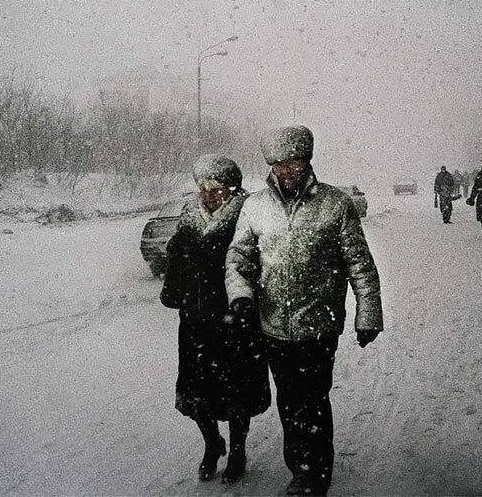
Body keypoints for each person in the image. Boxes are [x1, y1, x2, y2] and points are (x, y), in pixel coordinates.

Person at [225, 125, 384, 496]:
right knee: (289, 401)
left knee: (312, 400)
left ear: (307, 161)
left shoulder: (335, 204)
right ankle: (301, 467)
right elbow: (238, 258)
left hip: (319, 325)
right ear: (271, 166)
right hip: (273, 325)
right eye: (279, 164)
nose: (287, 171)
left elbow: (359, 263)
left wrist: (368, 313)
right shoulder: (255, 206)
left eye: (294, 162)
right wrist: (241, 295)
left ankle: (313, 474)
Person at [159, 154, 270, 484]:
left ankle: (237, 451)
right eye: (203, 188)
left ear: (232, 189)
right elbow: (178, 259)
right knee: (197, 393)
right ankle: (212, 444)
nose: (208, 195)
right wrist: (173, 289)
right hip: (195, 323)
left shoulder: (247, 216)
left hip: (235, 321)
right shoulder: (189, 216)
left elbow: (260, 264)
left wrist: (248, 301)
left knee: (237, 394)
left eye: (216, 188)